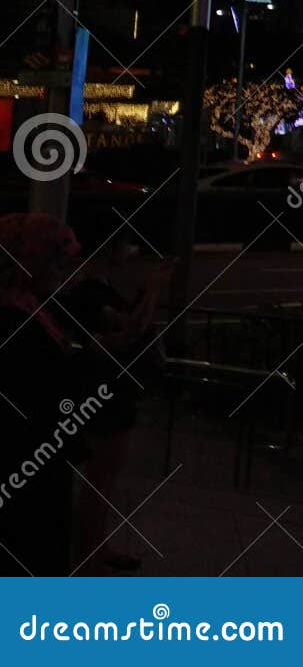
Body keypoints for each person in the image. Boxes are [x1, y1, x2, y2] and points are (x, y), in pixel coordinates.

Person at [58, 239, 169, 572]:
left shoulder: (96, 288)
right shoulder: (90, 292)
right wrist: (154, 290)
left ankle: (95, 546)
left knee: (104, 479)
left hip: (111, 393)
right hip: (105, 396)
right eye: (129, 247)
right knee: (101, 478)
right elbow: (131, 332)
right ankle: (86, 553)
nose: (134, 255)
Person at [0, 215, 89, 576]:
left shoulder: (26, 307)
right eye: (55, 262)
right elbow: (39, 394)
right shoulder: (15, 320)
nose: (62, 272)